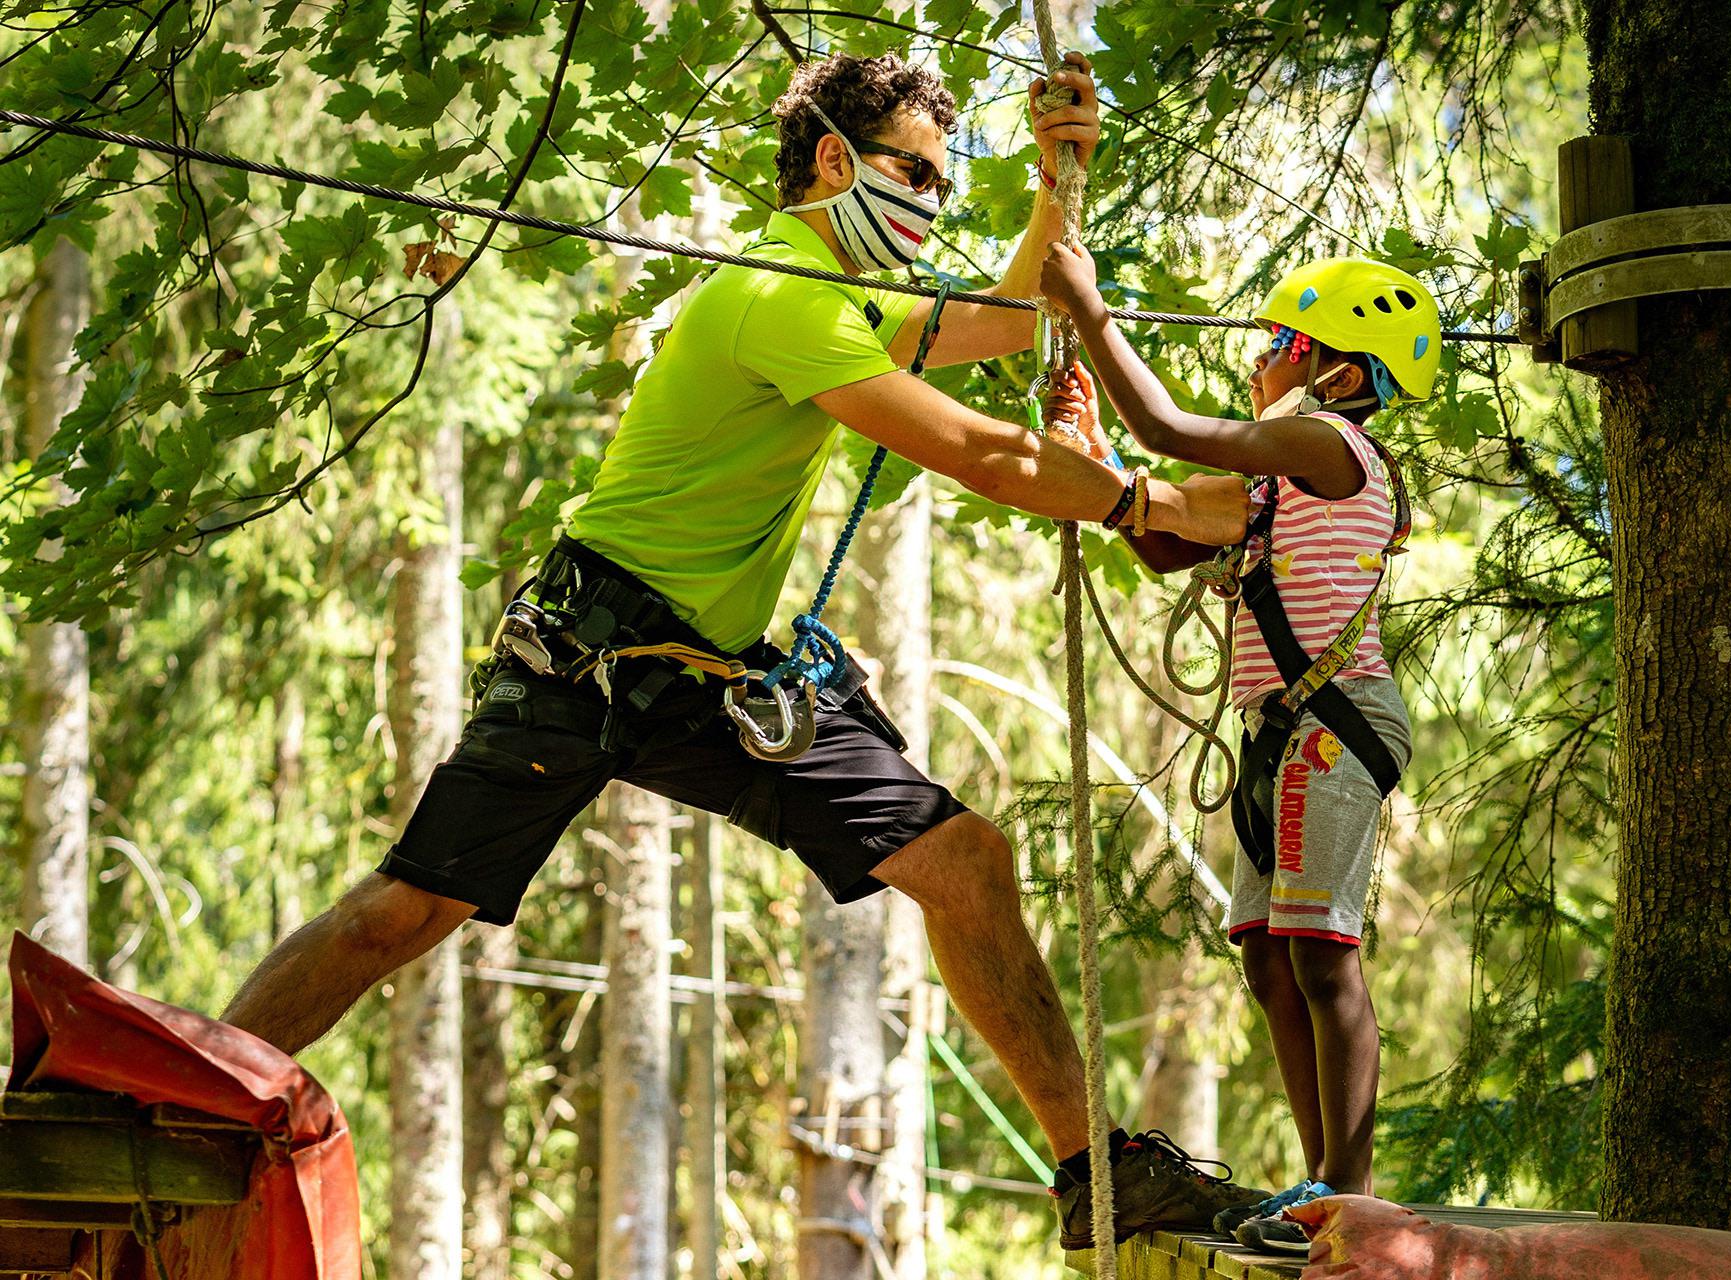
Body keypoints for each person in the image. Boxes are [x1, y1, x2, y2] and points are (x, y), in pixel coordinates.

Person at [218, 50, 1263, 1251]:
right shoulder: (783, 297)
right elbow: (985, 451)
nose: (931, 204)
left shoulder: (841, 299)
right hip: (589, 653)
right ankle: (186, 1088)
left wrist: (1058, 178)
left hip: (706, 670)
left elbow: (1002, 319)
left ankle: (1098, 1174)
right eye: (916, 176)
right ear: (833, 160)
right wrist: (1149, 506)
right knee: (407, 909)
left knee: (965, 862)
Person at [1039, 241, 1442, 1253]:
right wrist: (1092, 457)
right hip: (1286, 731)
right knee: (1270, 960)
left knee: (1321, 956)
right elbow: (1167, 540)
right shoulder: (1280, 485)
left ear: (1337, 374)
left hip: (1335, 717)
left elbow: (1172, 430)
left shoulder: (1332, 447)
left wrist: (1088, 307)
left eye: (1277, 344)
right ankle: (1321, 1172)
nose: (1257, 358)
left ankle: (1353, 1190)